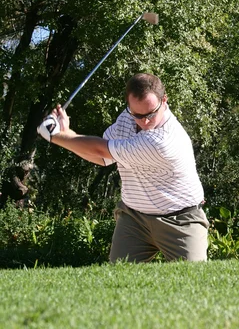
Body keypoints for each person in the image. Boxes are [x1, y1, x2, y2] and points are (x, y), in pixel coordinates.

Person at [37, 73, 208, 263]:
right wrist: (66, 134)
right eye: (137, 115)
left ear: (164, 100)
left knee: (192, 283)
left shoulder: (163, 140)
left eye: (151, 114)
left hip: (180, 220)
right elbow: (102, 157)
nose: (144, 122)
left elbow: (99, 148)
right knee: (118, 281)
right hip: (134, 219)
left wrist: (56, 135)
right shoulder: (127, 118)